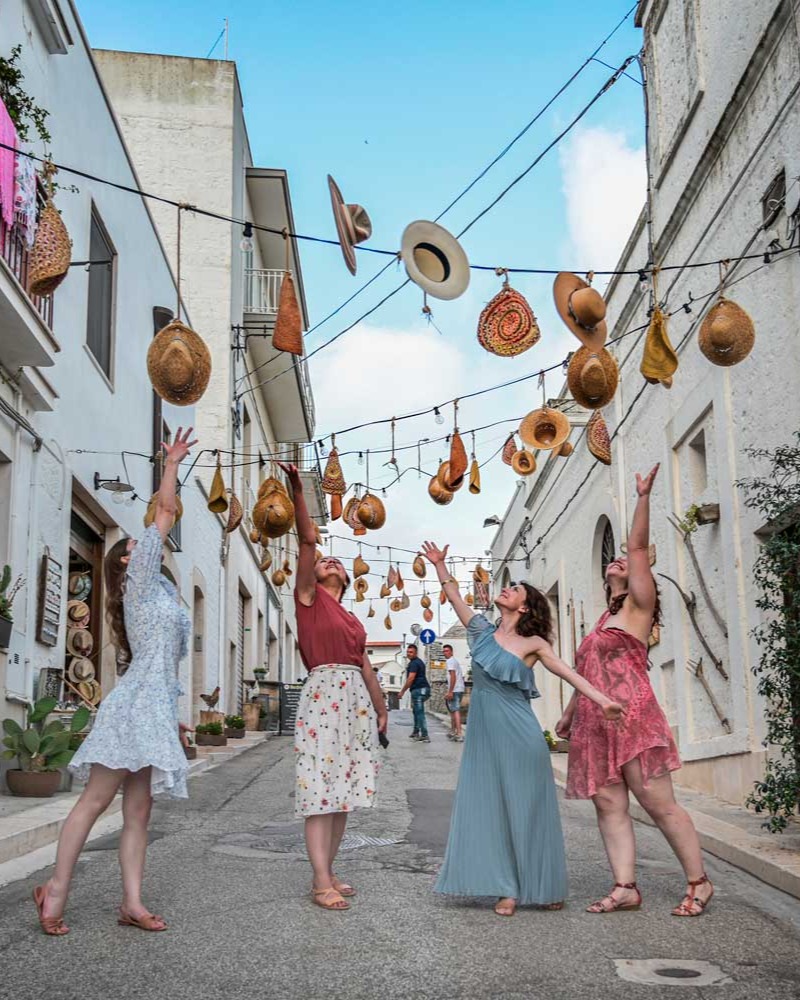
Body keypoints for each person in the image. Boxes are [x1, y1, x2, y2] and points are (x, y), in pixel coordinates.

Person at [33, 428, 197, 936]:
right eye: (133, 544)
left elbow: (166, 664)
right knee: (96, 800)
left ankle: (131, 902)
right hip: (133, 711)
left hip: (153, 709)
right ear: (127, 562)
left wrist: (175, 717)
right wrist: (170, 466)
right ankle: (54, 892)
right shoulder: (140, 581)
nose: (143, 542)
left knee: (139, 811)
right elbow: (164, 515)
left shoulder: (162, 592)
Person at [422, 541, 624, 917]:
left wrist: (602, 701)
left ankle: (537, 883)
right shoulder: (480, 631)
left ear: (525, 606)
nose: (507, 588)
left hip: (521, 736)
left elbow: (570, 673)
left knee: (527, 808)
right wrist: (440, 565)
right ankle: (507, 887)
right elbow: (452, 596)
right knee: (491, 809)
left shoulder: (534, 643)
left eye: (515, 589)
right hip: (484, 738)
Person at [556, 465, 714, 917]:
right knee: (608, 805)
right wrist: (569, 713)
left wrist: (642, 497)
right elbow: (589, 672)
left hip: (632, 717)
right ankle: (625, 886)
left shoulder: (638, 606)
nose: (621, 561)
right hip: (593, 723)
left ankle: (699, 882)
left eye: (626, 562)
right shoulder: (602, 619)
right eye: (617, 561)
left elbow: (638, 546)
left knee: (659, 803)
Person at [278, 462, 388, 912]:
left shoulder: (352, 619)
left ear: (346, 579)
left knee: (342, 793)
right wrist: (299, 492)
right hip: (323, 694)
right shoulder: (308, 598)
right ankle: (319, 878)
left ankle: (329, 869)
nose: (329, 561)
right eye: (326, 560)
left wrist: (381, 709)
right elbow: (308, 541)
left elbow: (364, 665)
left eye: (335, 562)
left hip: (355, 702)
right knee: (320, 791)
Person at [398, 643, 430, 743]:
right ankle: (416, 731)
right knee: (416, 711)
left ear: (416, 653)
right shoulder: (418, 662)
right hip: (423, 689)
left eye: (411, 652)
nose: (409, 654)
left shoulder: (414, 664)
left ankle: (425, 735)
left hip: (419, 689)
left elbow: (411, 678)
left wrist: (402, 691)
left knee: (419, 712)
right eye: (408, 652)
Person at [443, 643, 465, 742]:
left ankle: (459, 733)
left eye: (447, 651)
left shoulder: (450, 661)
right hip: (458, 688)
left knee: (455, 710)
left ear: (451, 652)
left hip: (455, 689)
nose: (445, 653)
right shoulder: (453, 661)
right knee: (452, 710)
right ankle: (453, 731)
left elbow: (453, 676)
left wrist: (450, 691)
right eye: (443, 651)